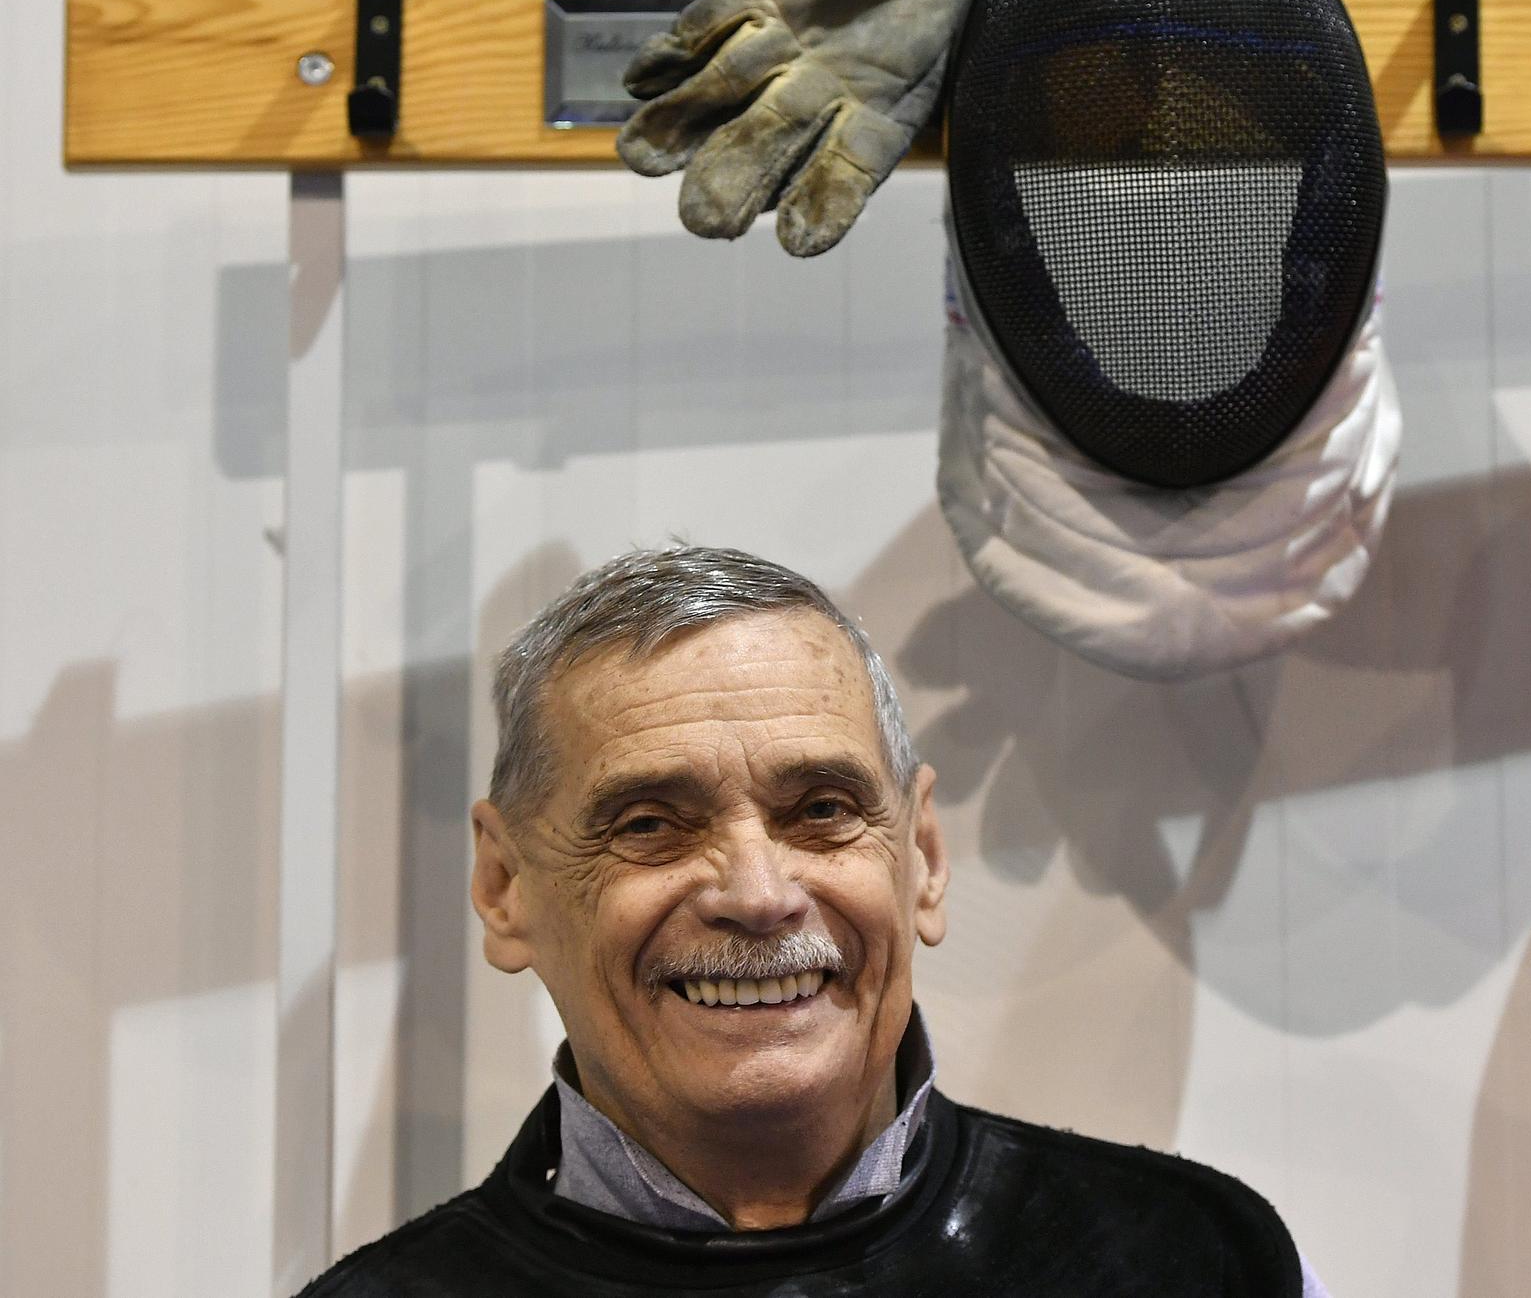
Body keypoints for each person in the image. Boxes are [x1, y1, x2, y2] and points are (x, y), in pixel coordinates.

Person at [301, 544, 1327, 1296]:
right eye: (651, 824)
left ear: (923, 859)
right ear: (504, 887)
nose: (758, 896)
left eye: (823, 811)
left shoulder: (1199, 1263)